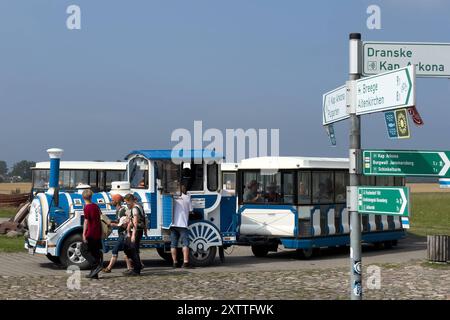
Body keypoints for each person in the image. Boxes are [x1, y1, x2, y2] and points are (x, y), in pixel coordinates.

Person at [102, 194, 132, 273]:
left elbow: (124, 224)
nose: (111, 202)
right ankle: (131, 268)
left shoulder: (122, 211)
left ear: (117, 201)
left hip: (123, 234)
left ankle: (109, 268)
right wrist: (110, 221)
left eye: (112, 200)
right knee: (126, 252)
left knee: (115, 250)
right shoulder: (118, 210)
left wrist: (113, 224)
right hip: (122, 234)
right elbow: (119, 221)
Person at [170, 184, 193, 268]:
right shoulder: (187, 198)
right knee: (185, 244)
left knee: (173, 244)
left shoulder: (172, 198)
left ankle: (175, 262)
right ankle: (186, 262)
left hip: (172, 224)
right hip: (183, 224)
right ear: (184, 190)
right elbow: (191, 210)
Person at [82, 189, 103, 279]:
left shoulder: (86, 207)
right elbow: (100, 217)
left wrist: (83, 234)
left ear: (83, 197)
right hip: (97, 231)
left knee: (84, 250)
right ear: (91, 196)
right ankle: (94, 274)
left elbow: (86, 221)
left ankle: (96, 265)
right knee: (95, 252)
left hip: (90, 232)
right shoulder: (96, 206)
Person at [122, 194, 145, 276]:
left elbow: (135, 221)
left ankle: (137, 269)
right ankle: (137, 267)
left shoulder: (135, 209)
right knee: (131, 248)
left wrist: (133, 235)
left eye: (127, 202)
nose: (126, 204)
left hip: (136, 231)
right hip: (138, 230)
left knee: (132, 249)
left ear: (131, 201)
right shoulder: (139, 206)